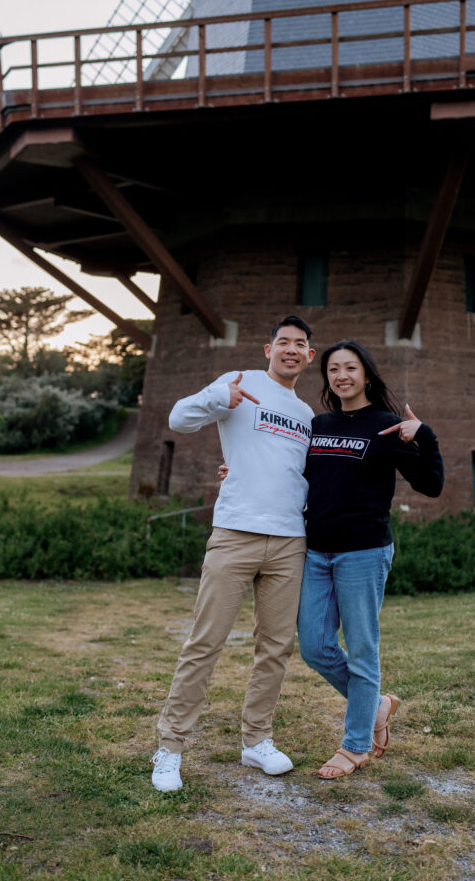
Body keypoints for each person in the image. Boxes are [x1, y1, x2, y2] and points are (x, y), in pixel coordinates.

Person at [150, 315, 316, 793]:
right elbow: (179, 418)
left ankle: (256, 741)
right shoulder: (236, 383)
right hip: (235, 534)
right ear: (268, 350)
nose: (290, 349)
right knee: (205, 643)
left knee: (276, 647)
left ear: (308, 356)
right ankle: (170, 747)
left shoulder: (305, 415)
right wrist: (219, 398)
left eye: (299, 344)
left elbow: (299, 473)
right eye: (282, 341)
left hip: (290, 540)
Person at [297, 340, 444, 779]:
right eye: (333, 369)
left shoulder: (385, 426)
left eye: (350, 368)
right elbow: (295, 476)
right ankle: (377, 704)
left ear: (366, 374)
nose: (342, 376)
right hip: (316, 551)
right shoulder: (318, 424)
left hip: (363, 551)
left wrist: (426, 435)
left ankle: (356, 745)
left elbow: (431, 485)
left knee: (362, 650)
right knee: (314, 646)